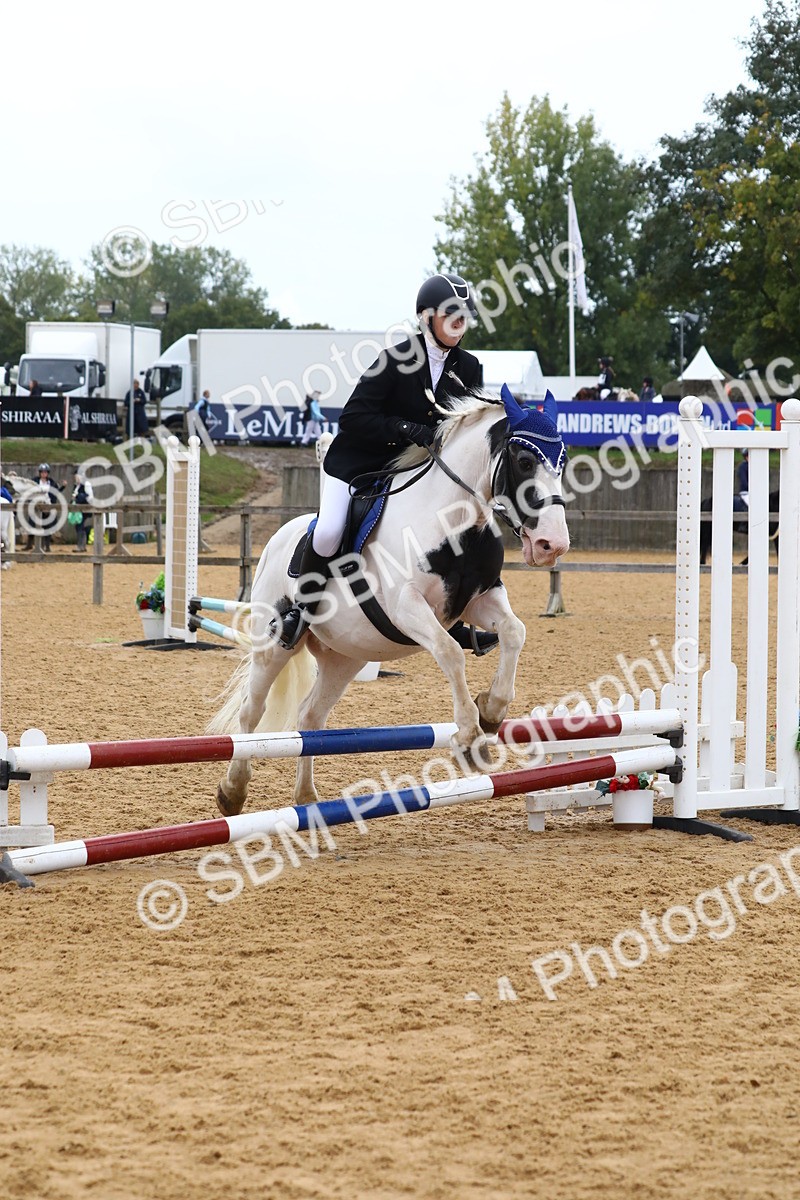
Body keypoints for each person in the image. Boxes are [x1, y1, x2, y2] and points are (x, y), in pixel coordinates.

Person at [275, 272, 497, 654]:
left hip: (417, 470)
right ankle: (302, 611)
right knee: (328, 531)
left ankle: (455, 617)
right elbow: (353, 418)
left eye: (464, 317)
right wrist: (406, 428)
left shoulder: (469, 367)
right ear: (427, 317)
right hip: (361, 463)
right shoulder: (394, 360)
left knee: (461, 524)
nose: (459, 325)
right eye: (451, 316)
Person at [21, 463, 65, 552]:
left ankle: (47, 546)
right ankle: (29, 544)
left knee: (47, 527)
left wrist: (63, 487)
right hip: (36, 506)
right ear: (40, 473)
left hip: (47, 507)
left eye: (45, 472)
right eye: (42, 472)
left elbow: (56, 492)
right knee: (32, 525)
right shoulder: (34, 481)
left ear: (47, 473)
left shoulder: (51, 482)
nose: (44, 474)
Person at [70, 471, 94, 553]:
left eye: (77, 476)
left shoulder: (86, 484)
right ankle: (82, 545)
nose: (76, 478)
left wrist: (77, 497)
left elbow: (89, 497)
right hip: (78, 508)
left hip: (85, 508)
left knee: (80, 525)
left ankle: (81, 546)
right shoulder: (77, 485)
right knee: (79, 526)